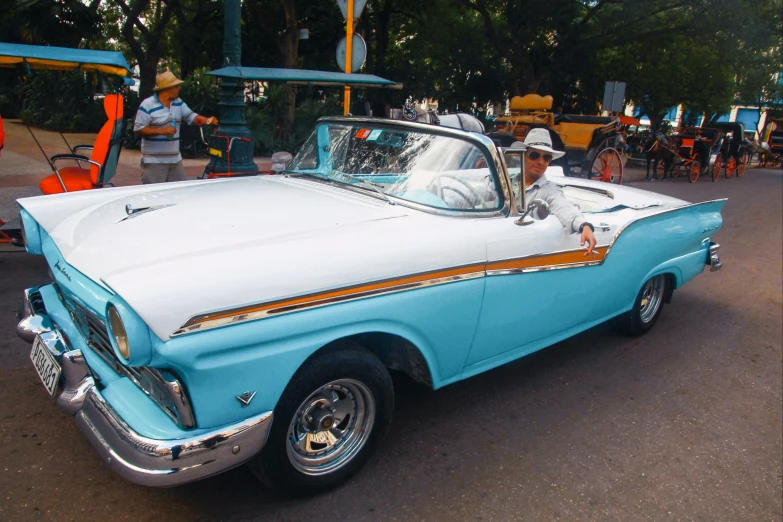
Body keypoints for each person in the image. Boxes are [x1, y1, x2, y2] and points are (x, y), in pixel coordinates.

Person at [519, 128, 597, 255]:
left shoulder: (549, 189)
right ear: (523, 155)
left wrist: (584, 226)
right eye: (534, 155)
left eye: (546, 157)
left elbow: (563, 206)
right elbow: (483, 195)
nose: (540, 161)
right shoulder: (506, 180)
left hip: (527, 247)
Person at [134, 71, 218, 184]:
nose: (179, 88)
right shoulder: (147, 104)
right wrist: (162, 131)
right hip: (154, 161)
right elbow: (138, 129)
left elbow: (192, 116)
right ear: (167, 88)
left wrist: (208, 120)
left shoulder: (178, 102)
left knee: (178, 193)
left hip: (175, 160)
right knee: (154, 196)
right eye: (176, 86)